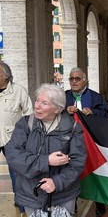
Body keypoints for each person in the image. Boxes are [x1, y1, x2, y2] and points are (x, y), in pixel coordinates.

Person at [4, 83, 87, 216]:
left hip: (63, 194)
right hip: (31, 193)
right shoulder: (25, 124)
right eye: (37, 100)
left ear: (57, 109)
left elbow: (77, 162)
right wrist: (46, 161)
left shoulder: (72, 128)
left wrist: (57, 182)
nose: (37, 106)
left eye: (44, 103)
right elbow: (13, 154)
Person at [65, 67, 108, 217]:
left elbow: (107, 113)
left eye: (77, 79)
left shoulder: (95, 97)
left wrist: (93, 113)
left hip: (91, 142)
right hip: (69, 143)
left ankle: (100, 204)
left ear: (85, 81)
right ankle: (72, 204)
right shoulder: (64, 96)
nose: (74, 81)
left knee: (95, 171)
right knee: (71, 173)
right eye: (71, 79)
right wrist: (64, 111)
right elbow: (53, 112)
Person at [0, 61, 33, 211]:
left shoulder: (19, 91)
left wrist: (25, 135)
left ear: (6, 76)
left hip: (12, 139)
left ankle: (20, 201)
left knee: (16, 171)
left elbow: (29, 114)